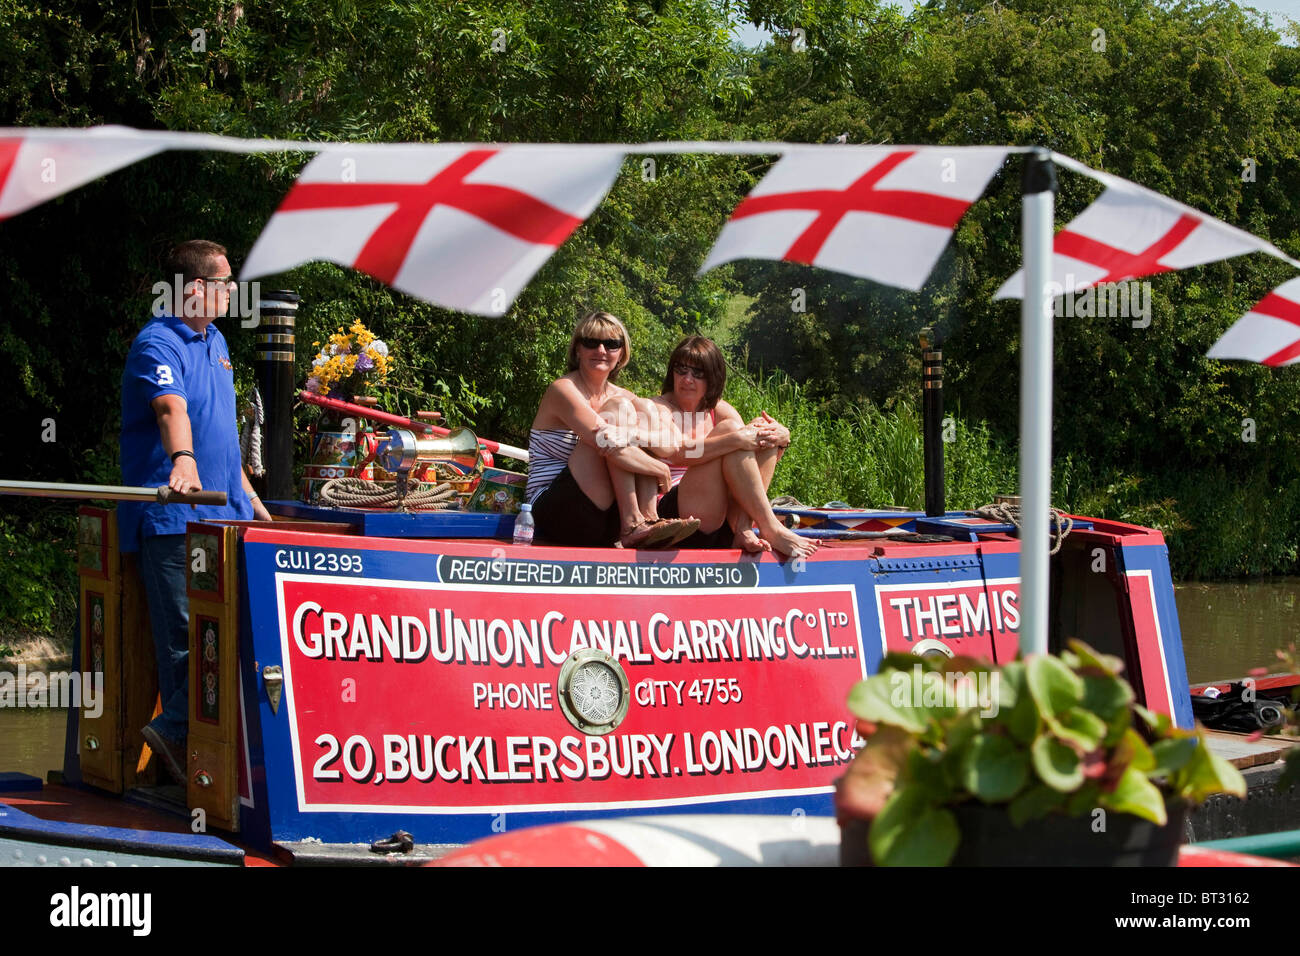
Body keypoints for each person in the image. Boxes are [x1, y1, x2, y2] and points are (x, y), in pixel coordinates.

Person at [119, 239, 271, 782]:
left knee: (228, 634)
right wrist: (182, 459)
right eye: (226, 281)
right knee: (188, 643)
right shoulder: (156, 343)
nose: (234, 290)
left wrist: (250, 499)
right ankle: (180, 747)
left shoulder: (218, 341)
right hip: (173, 521)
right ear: (197, 289)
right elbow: (170, 408)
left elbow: (223, 431)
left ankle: (182, 748)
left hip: (224, 515)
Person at [611, 335, 817, 558]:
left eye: (697, 373)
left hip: (722, 515)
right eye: (681, 370)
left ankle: (743, 528)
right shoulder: (658, 408)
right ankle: (770, 527)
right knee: (733, 432)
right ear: (672, 372)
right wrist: (735, 439)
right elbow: (680, 453)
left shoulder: (719, 410)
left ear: (712, 377)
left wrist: (781, 437)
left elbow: (750, 460)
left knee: (762, 430)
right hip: (676, 511)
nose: (687, 379)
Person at [526, 312, 697, 548]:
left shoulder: (626, 397)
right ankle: (632, 523)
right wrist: (658, 468)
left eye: (611, 344)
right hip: (559, 512)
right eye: (591, 342)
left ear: (622, 353)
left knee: (644, 408)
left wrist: (634, 435)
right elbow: (605, 443)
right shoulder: (563, 390)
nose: (601, 350)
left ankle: (649, 519)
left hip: (606, 516)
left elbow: (671, 445)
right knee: (616, 413)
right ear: (577, 349)